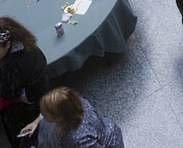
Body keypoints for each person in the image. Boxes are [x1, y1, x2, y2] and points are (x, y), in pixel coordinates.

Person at [0, 18, 48, 148]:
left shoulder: (11, 67)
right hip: (37, 93)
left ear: (8, 44)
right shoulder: (23, 42)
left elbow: (8, 93)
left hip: (27, 105)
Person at [21, 87, 123, 148]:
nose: (43, 115)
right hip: (107, 128)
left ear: (59, 118)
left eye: (46, 113)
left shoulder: (77, 139)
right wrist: (36, 122)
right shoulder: (75, 103)